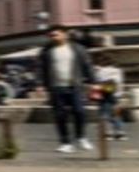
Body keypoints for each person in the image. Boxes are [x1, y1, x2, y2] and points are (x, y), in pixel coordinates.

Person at [38, 24, 96, 153]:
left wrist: (93, 81)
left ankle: (81, 137)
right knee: (60, 115)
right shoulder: (47, 51)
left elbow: (87, 65)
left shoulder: (78, 49)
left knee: (79, 112)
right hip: (56, 87)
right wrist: (40, 84)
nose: (53, 37)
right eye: (51, 35)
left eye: (55, 34)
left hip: (74, 86)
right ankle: (65, 142)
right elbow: (42, 69)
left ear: (65, 34)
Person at [93, 54, 127, 141]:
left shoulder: (100, 71)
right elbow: (120, 83)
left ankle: (108, 133)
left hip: (105, 95)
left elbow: (97, 82)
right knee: (116, 114)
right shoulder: (118, 70)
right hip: (117, 95)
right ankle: (120, 133)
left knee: (104, 114)